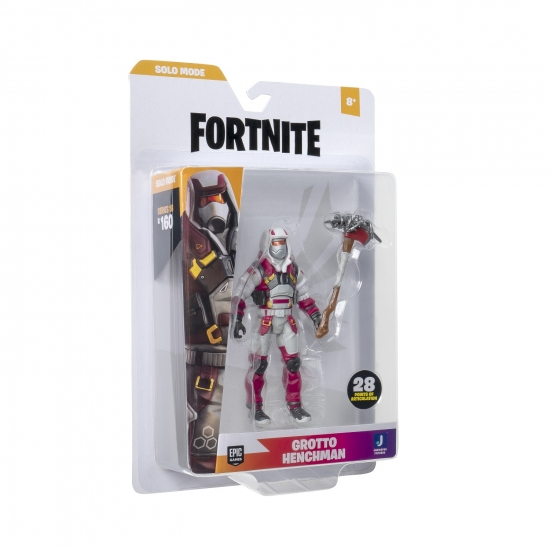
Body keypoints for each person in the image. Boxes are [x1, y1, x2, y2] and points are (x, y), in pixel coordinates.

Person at [233, 227, 321, 424]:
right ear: (268, 243)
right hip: (265, 320)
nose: (279, 246)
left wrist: (315, 316)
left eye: (282, 242)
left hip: (287, 320)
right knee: (259, 365)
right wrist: (237, 319)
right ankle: (255, 407)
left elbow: (304, 296)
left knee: (293, 364)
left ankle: (295, 406)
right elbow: (240, 292)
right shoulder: (259, 269)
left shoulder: (293, 269)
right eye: (276, 242)